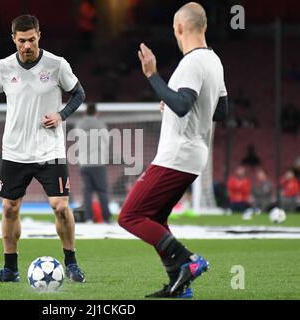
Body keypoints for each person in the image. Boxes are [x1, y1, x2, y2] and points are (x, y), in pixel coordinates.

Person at [0, 15, 86, 283]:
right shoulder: (4, 67)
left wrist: (62, 115)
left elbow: (79, 94)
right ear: (13, 39)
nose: (26, 45)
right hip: (15, 151)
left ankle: (72, 263)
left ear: (39, 35)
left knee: (60, 206)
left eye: (31, 39)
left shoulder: (57, 64)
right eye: (21, 41)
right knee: (9, 208)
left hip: (50, 149)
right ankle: (10, 269)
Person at [118, 2, 228, 299]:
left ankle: (188, 262)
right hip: (195, 154)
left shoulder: (191, 62)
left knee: (129, 216)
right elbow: (221, 112)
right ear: (204, 26)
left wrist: (153, 77)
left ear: (179, 28)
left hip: (178, 153)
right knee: (156, 220)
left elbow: (182, 105)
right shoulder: (214, 61)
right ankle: (178, 287)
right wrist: (173, 100)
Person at [75, 103, 112, 223]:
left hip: (84, 163)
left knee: (87, 192)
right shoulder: (100, 124)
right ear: (96, 113)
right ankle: (106, 218)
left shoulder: (79, 124)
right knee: (102, 191)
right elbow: (107, 141)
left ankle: (88, 218)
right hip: (98, 162)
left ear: (85, 113)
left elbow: (77, 140)